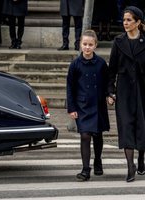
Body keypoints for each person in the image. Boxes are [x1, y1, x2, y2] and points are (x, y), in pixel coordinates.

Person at [107, 6, 145, 182]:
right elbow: (112, 69)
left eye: (129, 20)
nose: (125, 23)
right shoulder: (118, 42)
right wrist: (110, 91)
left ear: (138, 22)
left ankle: (141, 159)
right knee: (126, 127)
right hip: (124, 91)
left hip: (143, 91)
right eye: (124, 20)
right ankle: (130, 166)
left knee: (142, 126)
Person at [67, 30, 110, 181]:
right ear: (80, 45)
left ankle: (98, 160)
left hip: (98, 105)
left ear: (95, 45)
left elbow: (107, 83)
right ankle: (86, 170)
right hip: (82, 106)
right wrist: (71, 108)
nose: (87, 47)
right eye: (84, 44)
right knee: (85, 135)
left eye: (90, 45)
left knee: (98, 135)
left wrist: (109, 95)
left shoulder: (101, 64)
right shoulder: (75, 65)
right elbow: (70, 88)